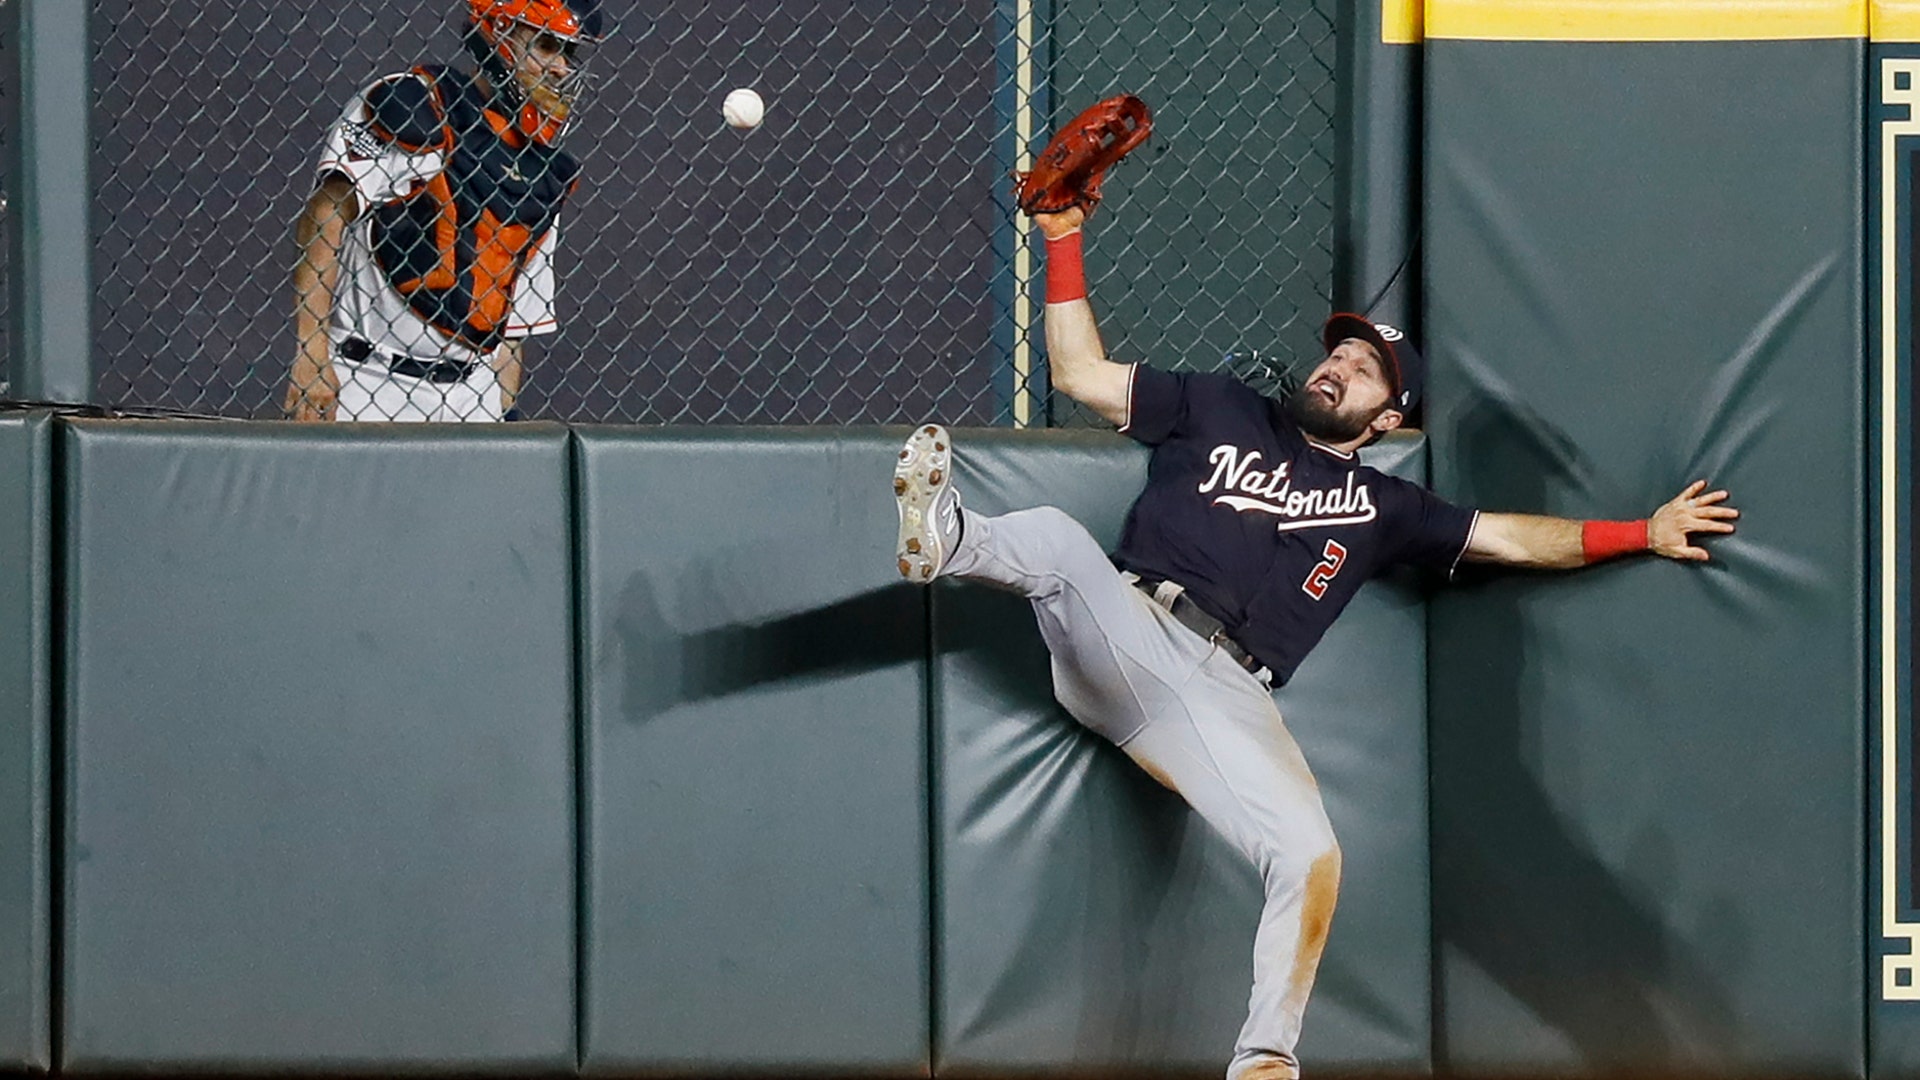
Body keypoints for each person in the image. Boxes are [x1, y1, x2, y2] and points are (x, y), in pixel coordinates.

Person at [890, 202, 1740, 1080]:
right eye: (1339, 351)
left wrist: (1642, 531)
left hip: (1227, 697)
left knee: (1310, 855)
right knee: (1063, 545)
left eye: (1367, 370)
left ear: (1384, 421)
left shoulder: (1386, 508)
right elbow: (1079, 371)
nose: (1339, 366)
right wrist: (1061, 236)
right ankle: (949, 537)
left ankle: (1265, 1063)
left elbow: (1511, 539)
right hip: (1128, 623)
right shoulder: (1219, 407)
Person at [286, 0, 606, 422]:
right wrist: (311, 352)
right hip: (367, 378)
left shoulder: (543, 171)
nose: (561, 67)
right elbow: (327, 216)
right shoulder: (416, 104)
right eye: (546, 45)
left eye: (569, 53)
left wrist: (501, 404)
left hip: (472, 393)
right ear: (500, 34)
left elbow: (508, 309)